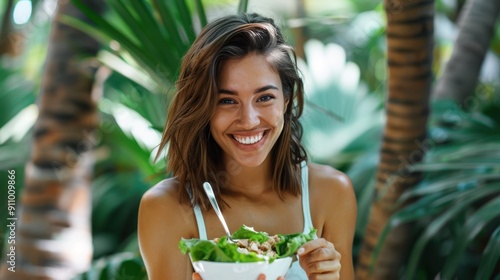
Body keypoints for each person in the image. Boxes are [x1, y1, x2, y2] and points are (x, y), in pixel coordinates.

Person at [138, 12, 357, 280]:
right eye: (227, 101)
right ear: (203, 108)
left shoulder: (330, 194)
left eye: (264, 97)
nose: (249, 120)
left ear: (286, 101)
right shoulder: (167, 208)